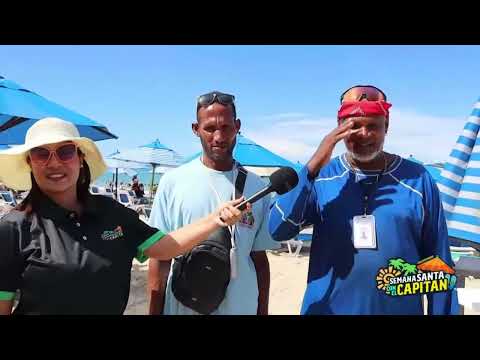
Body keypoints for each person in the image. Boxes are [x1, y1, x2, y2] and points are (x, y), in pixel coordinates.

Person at [0, 117, 249, 315]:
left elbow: (165, 247)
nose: (54, 163)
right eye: (42, 154)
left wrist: (215, 219)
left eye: (65, 151)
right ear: (30, 163)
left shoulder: (111, 213)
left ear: (80, 159)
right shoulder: (13, 228)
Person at [268, 85, 458, 315]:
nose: (364, 134)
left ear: (386, 126)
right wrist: (313, 165)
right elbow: (278, 229)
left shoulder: (418, 180)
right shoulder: (320, 177)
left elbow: (438, 262)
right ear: (339, 129)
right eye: (354, 126)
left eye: (373, 126)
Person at [147, 91, 280, 315]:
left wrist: (263, 310)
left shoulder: (258, 187)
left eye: (226, 127)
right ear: (195, 129)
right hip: (184, 306)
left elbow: (259, 259)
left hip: (241, 308)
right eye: (209, 128)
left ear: (237, 126)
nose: (218, 137)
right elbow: (159, 258)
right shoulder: (172, 182)